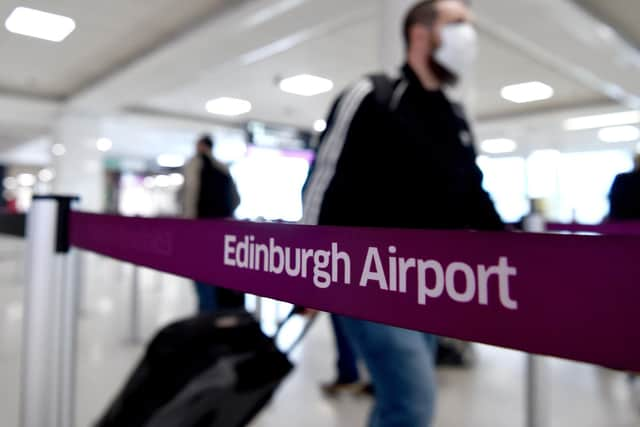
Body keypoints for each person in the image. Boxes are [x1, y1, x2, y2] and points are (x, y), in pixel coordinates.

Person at [302, 1, 503, 425]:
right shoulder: (373, 95)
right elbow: (323, 179)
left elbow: (473, 193)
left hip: (428, 284)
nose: (469, 36)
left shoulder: (454, 115)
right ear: (420, 33)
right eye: (458, 24)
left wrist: (515, 251)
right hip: (367, 279)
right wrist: (308, 268)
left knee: (400, 400)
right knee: (412, 401)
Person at [183, 135, 243, 313]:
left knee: (199, 270)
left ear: (201, 145)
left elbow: (189, 197)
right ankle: (215, 311)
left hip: (199, 229)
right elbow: (236, 199)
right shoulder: (223, 168)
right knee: (216, 270)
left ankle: (206, 311)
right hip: (222, 229)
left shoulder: (193, 166)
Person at [608, 154, 640, 220]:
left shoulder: (622, 178)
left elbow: (613, 198)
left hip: (622, 221)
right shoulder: (622, 178)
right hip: (623, 220)